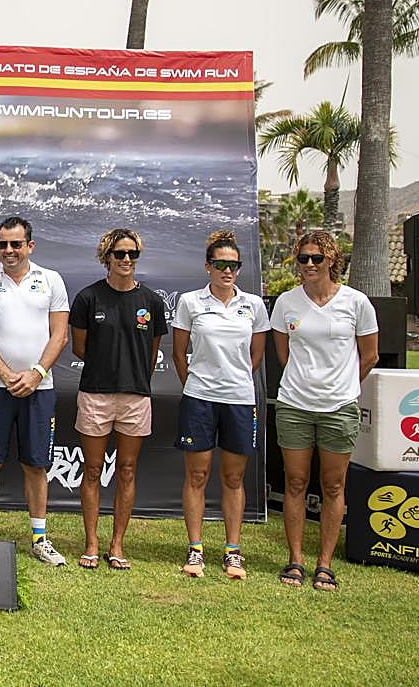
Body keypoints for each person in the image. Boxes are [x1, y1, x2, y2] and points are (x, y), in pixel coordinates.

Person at [271, 231, 378, 591]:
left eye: (317, 258)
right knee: (296, 483)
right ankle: (296, 561)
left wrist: (344, 386)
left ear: (332, 260)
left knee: (333, 486)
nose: (310, 265)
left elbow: (370, 356)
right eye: (304, 259)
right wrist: (305, 383)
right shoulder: (286, 302)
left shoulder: (356, 302)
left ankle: (325, 564)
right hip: (294, 406)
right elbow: (283, 356)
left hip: (339, 408)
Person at [0, 217, 69, 566]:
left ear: (30, 245)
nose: (8, 251)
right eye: (2, 245)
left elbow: (60, 335)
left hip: (40, 388)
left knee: (36, 464)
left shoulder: (51, 280)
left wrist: (37, 374)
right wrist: (9, 374)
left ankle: (39, 539)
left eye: (15, 244)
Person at [171, 230, 269, 580]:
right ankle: (195, 550)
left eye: (233, 265)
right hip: (199, 398)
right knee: (196, 475)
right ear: (208, 267)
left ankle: (232, 552)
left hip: (240, 400)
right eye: (220, 264)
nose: (227, 271)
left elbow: (255, 356)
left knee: (233, 477)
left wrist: (233, 381)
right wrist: (197, 384)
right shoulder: (190, 302)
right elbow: (179, 353)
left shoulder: (254, 305)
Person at [69, 228, 167, 571]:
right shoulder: (87, 298)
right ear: (106, 257)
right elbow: (79, 347)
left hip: (136, 396)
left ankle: (117, 544)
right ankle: (92, 543)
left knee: (127, 470)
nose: (126, 260)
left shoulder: (152, 302)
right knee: (93, 469)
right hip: (95, 394)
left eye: (132, 254)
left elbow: (151, 354)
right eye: (120, 254)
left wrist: (133, 378)